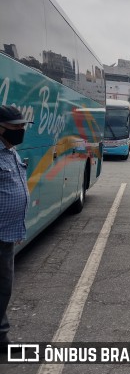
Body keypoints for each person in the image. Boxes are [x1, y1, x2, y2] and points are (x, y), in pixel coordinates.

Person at [0, 105, 33, 345]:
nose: (21, 130)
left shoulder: (11, 152)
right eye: (16, 126)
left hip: (7, 234)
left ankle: (1, 336)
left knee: (3, 289)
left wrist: (17, 227)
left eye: (23, 126)